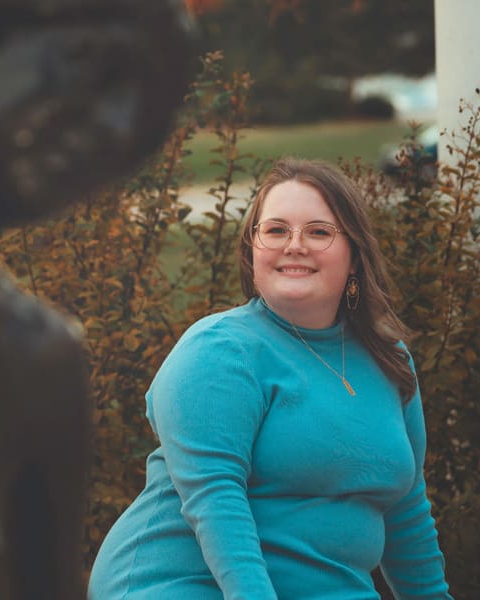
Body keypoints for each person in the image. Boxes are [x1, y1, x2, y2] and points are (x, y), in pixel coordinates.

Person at [88, 157, 453, 599]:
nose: (294, 245)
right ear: (252, 250)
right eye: (276, 230)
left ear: (355, 256)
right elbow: (216, 502)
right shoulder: (221, 351)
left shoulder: (389, 359)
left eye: (318, 231)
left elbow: (406, 508)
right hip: (184, 586)